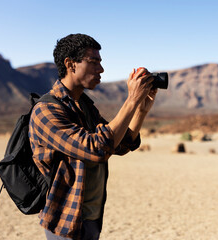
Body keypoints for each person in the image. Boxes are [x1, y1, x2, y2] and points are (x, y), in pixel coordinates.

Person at [29, 33, 157, 240]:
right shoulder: (46, 111)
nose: (101, 69)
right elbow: (96, 149)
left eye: (100, 62)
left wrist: (141, 110)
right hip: (66, 222)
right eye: (94, 62)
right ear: (70, 64)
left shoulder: (85, 106)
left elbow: (119, 144)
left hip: (90, 219)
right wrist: (131, 101)